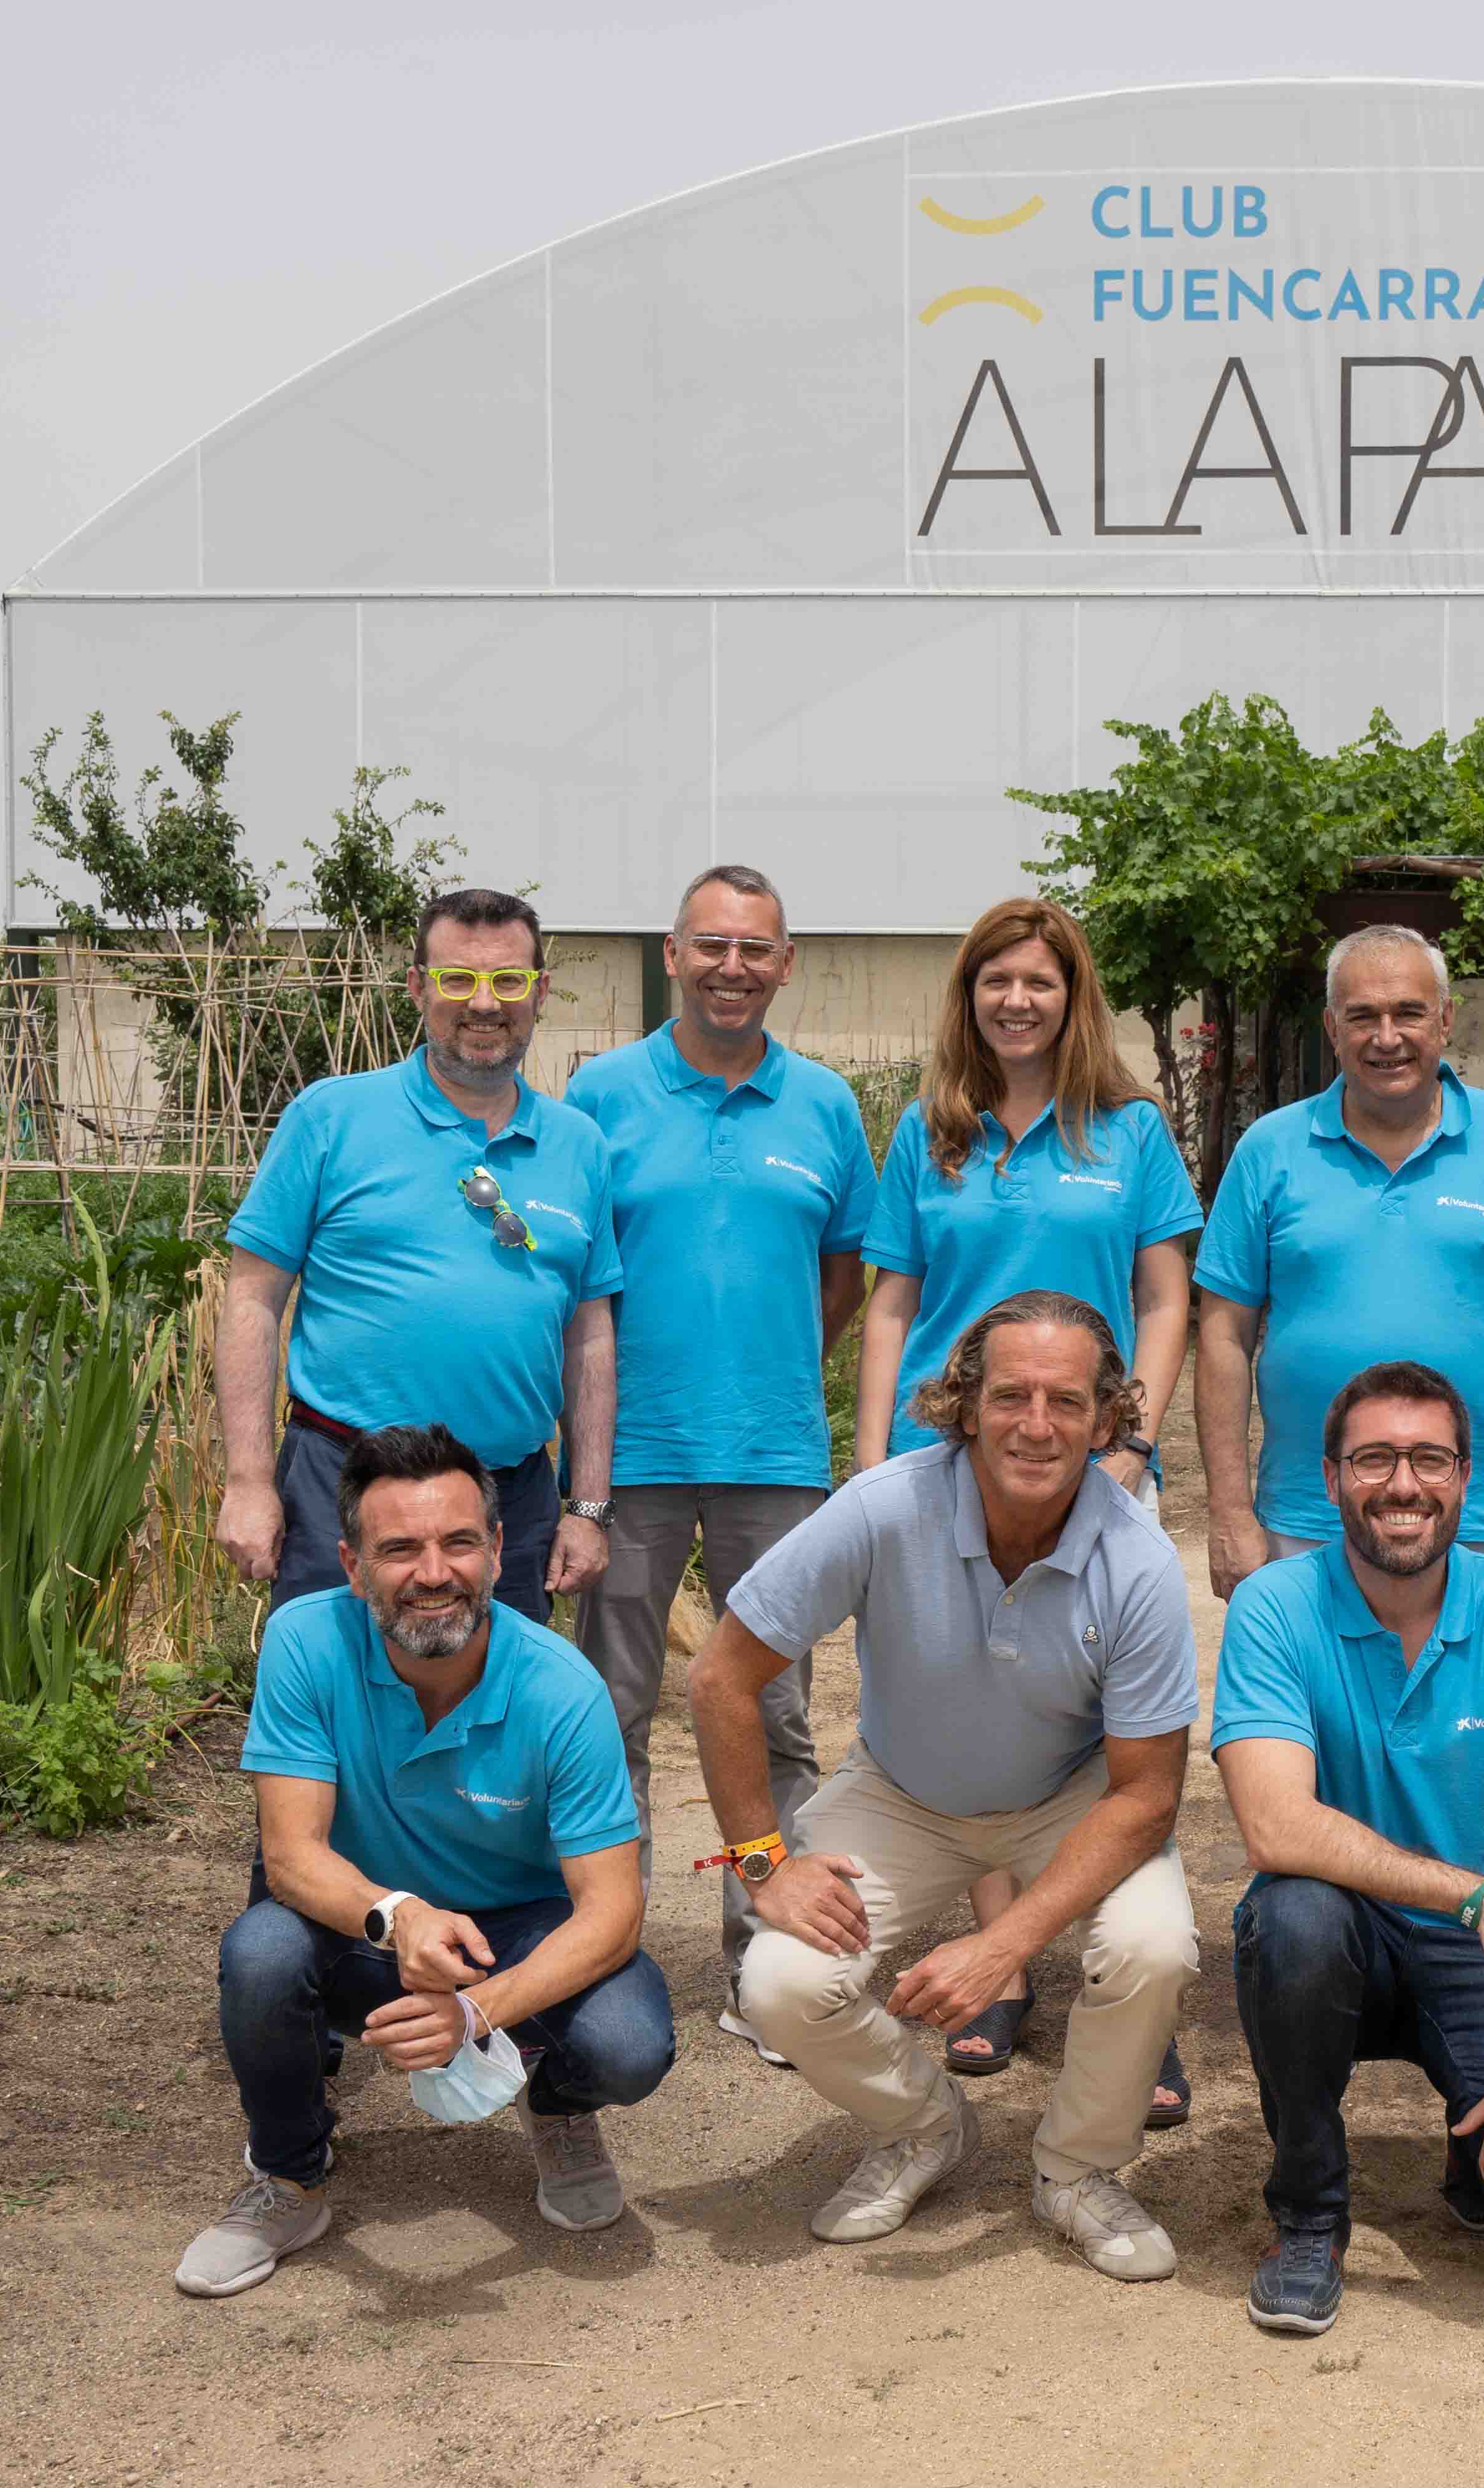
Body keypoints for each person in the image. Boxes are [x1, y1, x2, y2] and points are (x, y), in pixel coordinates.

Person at [699, 1291, 1201, 2283]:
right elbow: (721, 1677)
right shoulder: (886, 1505)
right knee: (778, 1982)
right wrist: (764, 1863)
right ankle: (924, 2126)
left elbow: (1146, 1797)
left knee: (1154, 1946)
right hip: (903, 1791)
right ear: (964, 1405)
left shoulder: (1139, 1561)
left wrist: (1005, 1943)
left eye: (1068, 1401)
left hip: (1076, 1798)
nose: (1037, 1424)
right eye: (1010, 1394)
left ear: (1109, 1421)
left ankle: (1078, 2170)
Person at [179, 1426, 673, 2298]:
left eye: (458, 1543)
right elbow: (292, 1860)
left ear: (496, 1552)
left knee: (628, 2044)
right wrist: (398, 1916)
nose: (433, 1573)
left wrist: (478, 2014)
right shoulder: (304, 1642)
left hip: (511, 1935)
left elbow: (612, 1910)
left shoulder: (563, 1690)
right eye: (399, 1548)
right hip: (359, 1924)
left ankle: (558, 2106)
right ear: (351, 1563)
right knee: (262, 1951)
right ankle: (289, 2175)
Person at [848, 898, 1202, 2109]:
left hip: (1089, 1457)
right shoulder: (926, 1136)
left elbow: (1166, 1296)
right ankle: (997, 1970)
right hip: (945, 1457)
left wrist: (1134, 1439)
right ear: (970, 995)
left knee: (1114, 1725)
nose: (1017, 999)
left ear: (1072, 995)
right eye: (995, 979)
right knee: (960, 1706)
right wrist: (867, 1458)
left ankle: (1129, 1993)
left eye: (1039, 981)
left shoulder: (1133, 1131)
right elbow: (891, 1305)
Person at [1215, 1360, 1484, 2337]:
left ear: (1468, 1475)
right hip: (1345, 1934)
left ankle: (1471, 2137)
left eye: (1429, 1459)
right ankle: (1309, 2214)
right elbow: (1275, 1825)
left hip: (1473, 1957)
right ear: (1328, 1479)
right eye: (1374, 1460)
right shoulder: (1275, 1605)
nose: (1404, 1485)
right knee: (1292, 1916)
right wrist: (1481, 1897)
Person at [563, 864, 872, 2061]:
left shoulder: (828, 1106)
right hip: (626, 1458)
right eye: (712, 946)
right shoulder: (601, 1093)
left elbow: (845, 1272)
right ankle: (611, 1947)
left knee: (777, 1715)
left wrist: (778, 1363)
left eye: (757, 949)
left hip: (777, 1457)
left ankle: (764, 1950)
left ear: (786, 963)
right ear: (674, 956)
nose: (734, 967)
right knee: (612, 1715)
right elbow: (575, 1267)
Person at [213, 888, 619, 1622]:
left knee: (495, 1719)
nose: (486, 1004)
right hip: (345, 1485)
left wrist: (587, 1506)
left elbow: (588, 1334)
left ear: (541, 991)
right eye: (459, 979)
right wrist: (247, 1480)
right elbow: (251, 1298)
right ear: (418, 987)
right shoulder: (330, 1118)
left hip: (510, 1500)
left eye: (509, 981)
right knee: (336, 1712)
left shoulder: (578, 1146)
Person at [1197, 925, 1484, 1597]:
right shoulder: (1269, 1149)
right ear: (1331, 1027)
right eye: (1363, 1016)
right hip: (1306, 1520)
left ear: (1444, 1018)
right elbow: (1223, 1335)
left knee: (1479, 1703)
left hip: (1483, 1518)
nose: (1387, 1036)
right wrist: (1231, 1511)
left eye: (1408, 1012)